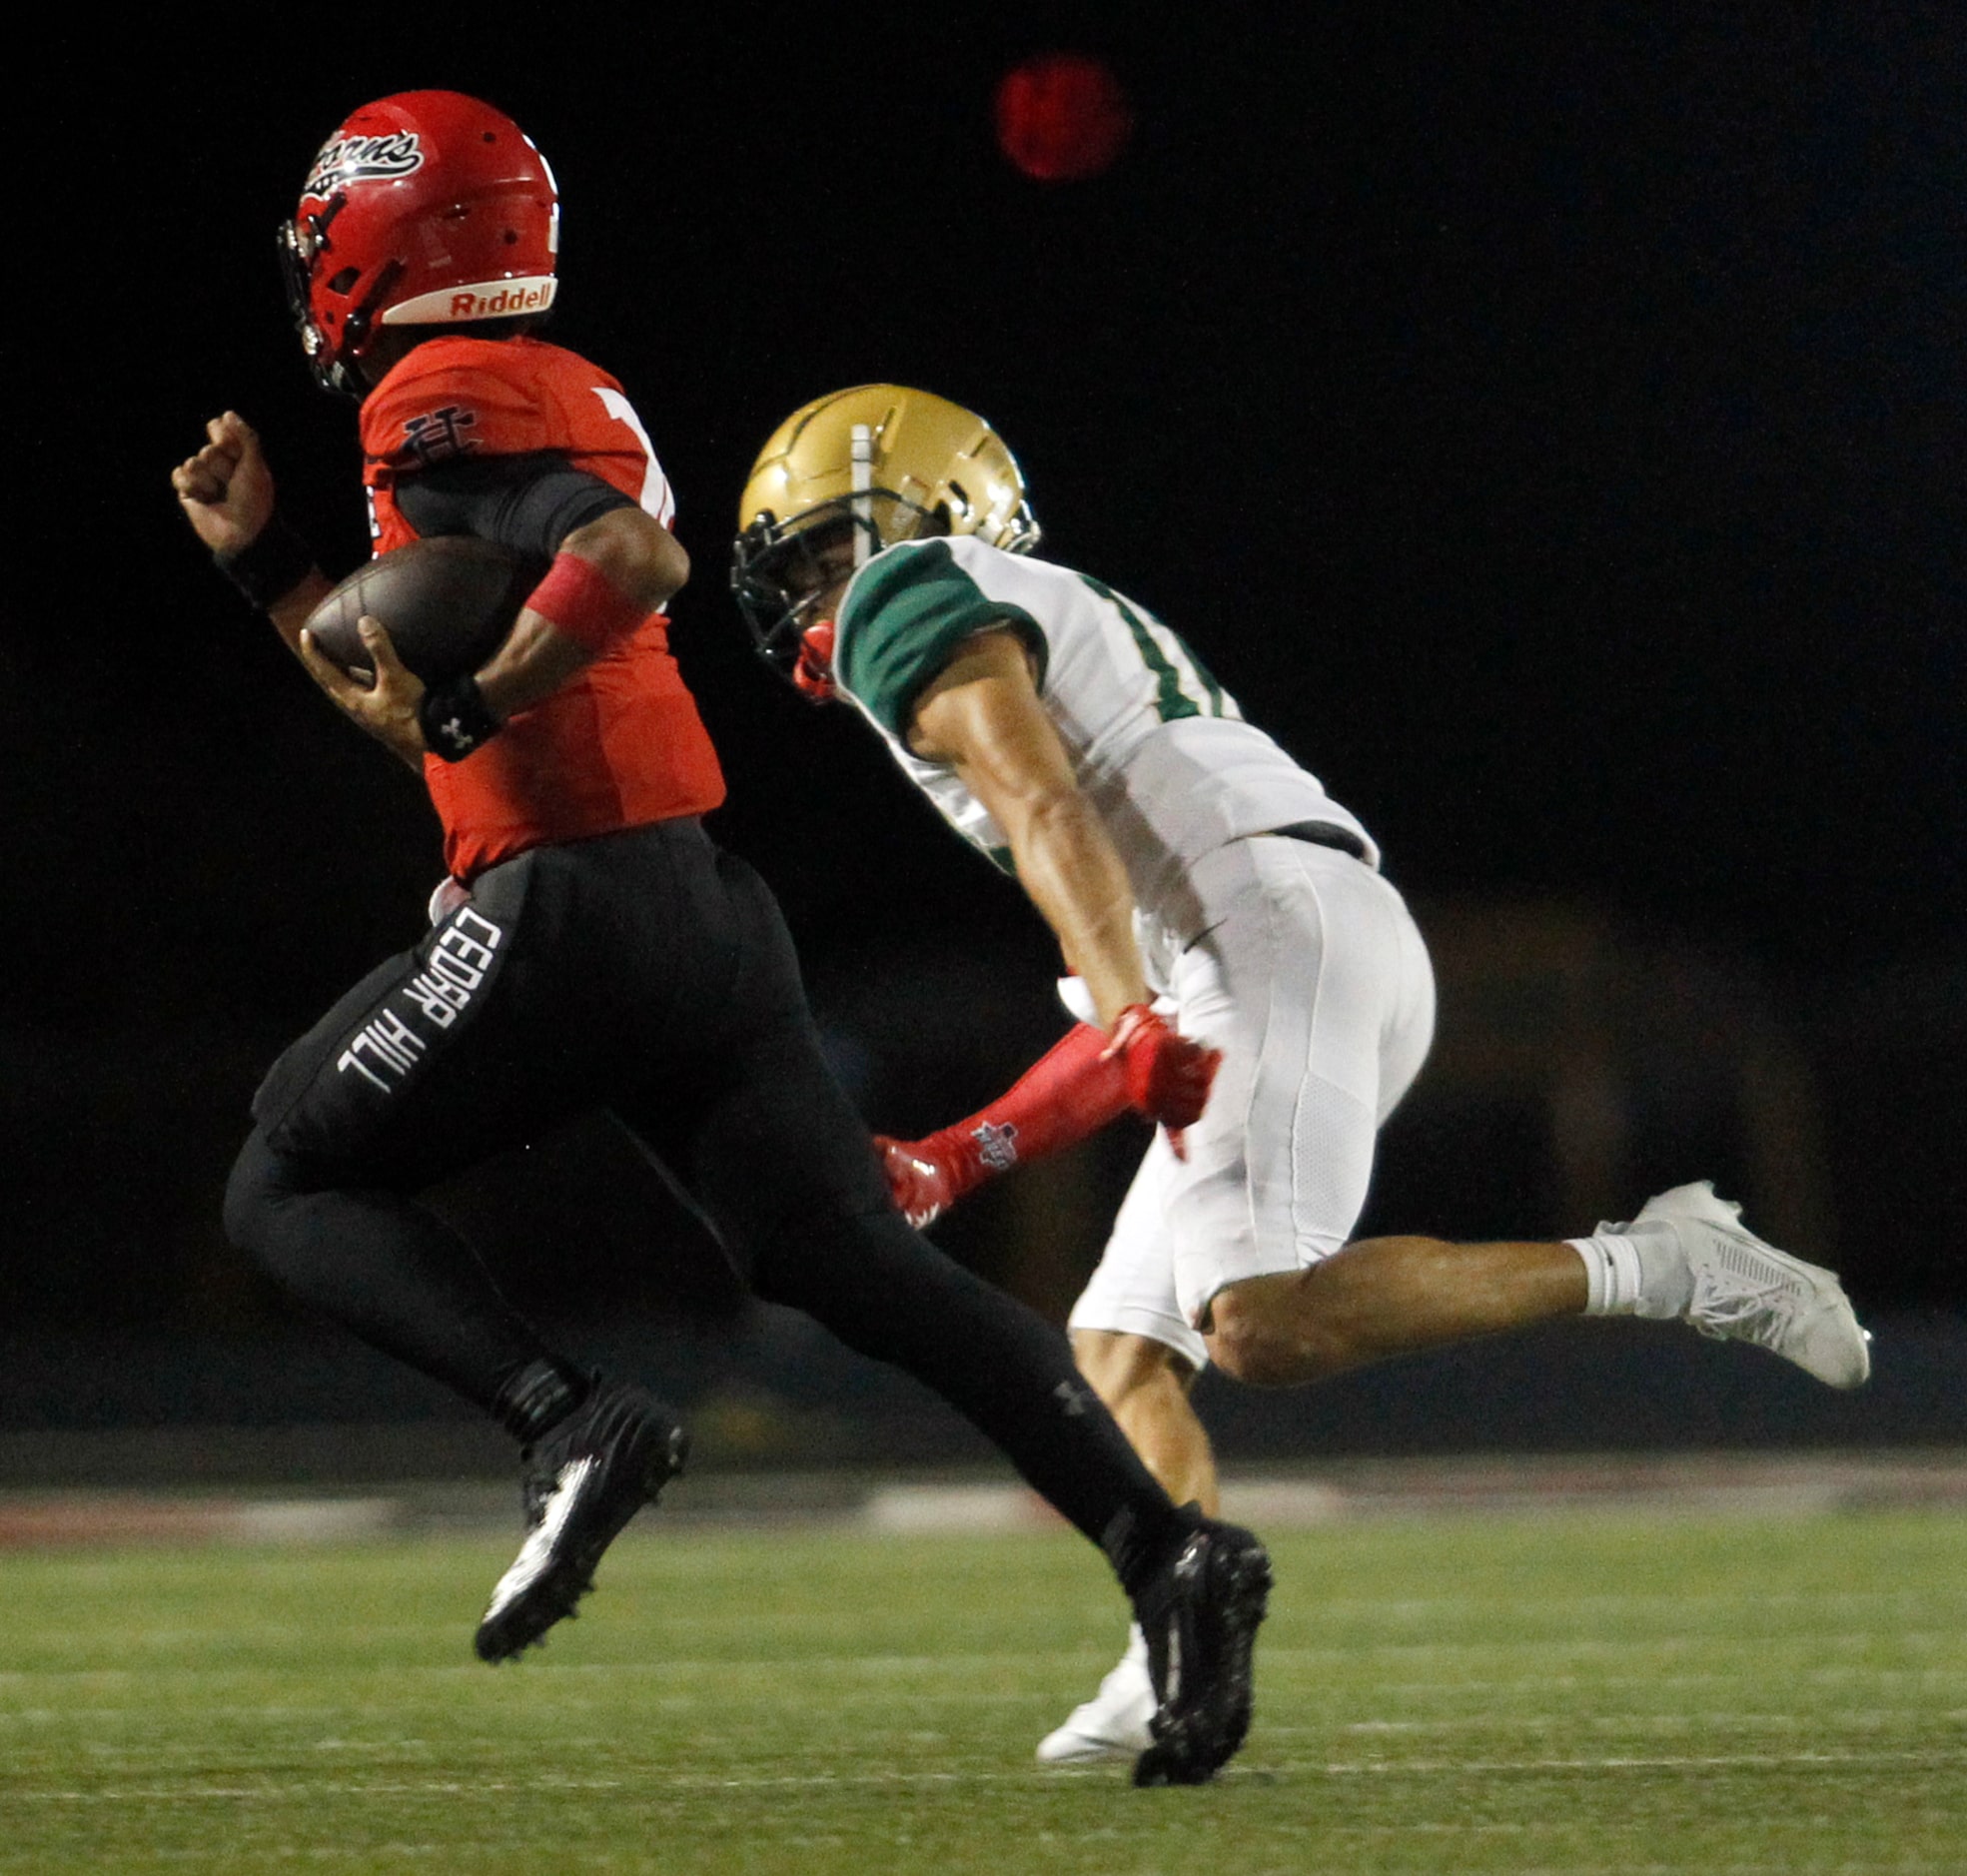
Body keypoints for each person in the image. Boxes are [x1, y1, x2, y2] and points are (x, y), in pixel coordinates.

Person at [170, 93, 1269, 1787]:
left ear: (393, 232)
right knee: (852, 1265)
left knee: (283, 1177)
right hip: (692, 903)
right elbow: (418, 699)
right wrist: (270, 570)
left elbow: (629, 558)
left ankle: (565, 1421)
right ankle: (1168, 1550)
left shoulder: (432, 394)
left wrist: (477, 696)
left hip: (578, 904)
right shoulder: (536, 395)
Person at [729, 383, 1874, 1763]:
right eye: (795, 566)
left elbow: (1042, 814)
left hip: (1270, 927)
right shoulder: (1037, 637)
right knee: (1113, 1357)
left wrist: (1134, 1007)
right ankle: (1170, 1643)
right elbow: (1124, 1008)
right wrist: (967, 1148)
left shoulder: (910, 589)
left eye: (823, 549)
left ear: (925, 518)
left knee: (1257, 1323)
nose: (814, 592)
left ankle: (1666, 1263)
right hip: (1276, 932)